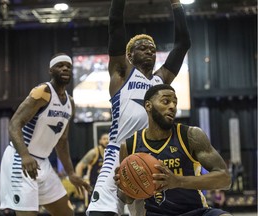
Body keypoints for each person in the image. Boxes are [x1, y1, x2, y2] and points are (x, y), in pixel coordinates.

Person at [86, 0, 191, 214]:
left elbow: (183, 44)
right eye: (142, 48)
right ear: (129, 55)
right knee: (101, 212)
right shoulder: (122, 73)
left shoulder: (160, 81)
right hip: (116, 154)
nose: (149, 51)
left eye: (152, 49)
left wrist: (176, 5)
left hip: (147, 159)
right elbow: (115, 23)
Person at [115, 84, 232, 216]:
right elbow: (128, 198)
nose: (172, 107)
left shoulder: (191, 136)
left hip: (196, 212)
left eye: (175, 103)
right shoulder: (130, 145)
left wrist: (177, 181)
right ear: (148, 106)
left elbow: (225, 179)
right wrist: (124, 186)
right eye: (166, 101)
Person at [0, 53, 91, 216]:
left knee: (67, 213)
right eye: (60, 65)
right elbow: (14, 124)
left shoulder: (70, 103)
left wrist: (71, 173)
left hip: (43, 163)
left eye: (68, 66)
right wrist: (25, 156)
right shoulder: (42, 92)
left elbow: (62, 141)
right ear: (51, 70)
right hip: (21, 160)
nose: (65, 68)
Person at [75, 133, 109, 206]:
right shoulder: (94, 152)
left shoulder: (112, 153)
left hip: (108, 188)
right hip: (94, 188)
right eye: (104, 139)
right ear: (100, 141)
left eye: (108, 139)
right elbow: (79, 166)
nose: (107, 141)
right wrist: (80, 182)